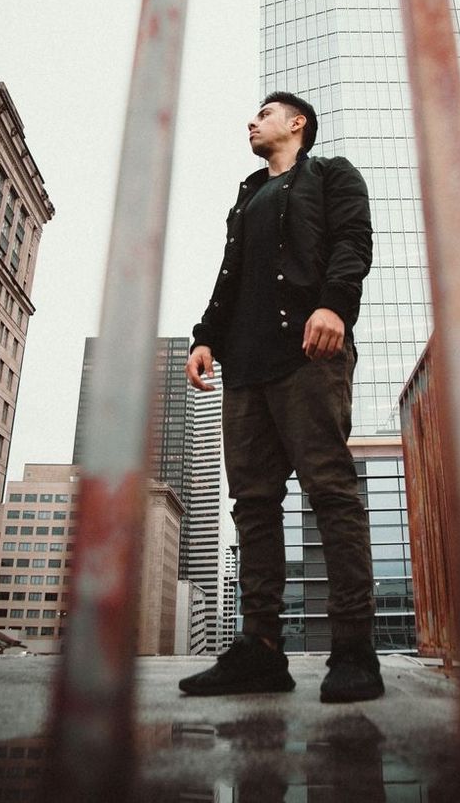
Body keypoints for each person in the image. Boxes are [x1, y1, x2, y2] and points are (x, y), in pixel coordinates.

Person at [180, 92, 383, 703]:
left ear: (297, 124)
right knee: (253, 502)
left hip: (309, 353)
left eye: (264, 113)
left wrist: (334, 304)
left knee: (330, 488)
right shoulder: (247, 195)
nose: (251, 120)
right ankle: (260, 650)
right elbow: (231, 274)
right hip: (245, 366)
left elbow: (353, 240)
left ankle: (353, 650)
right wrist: (205, 336)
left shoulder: (331, 173)